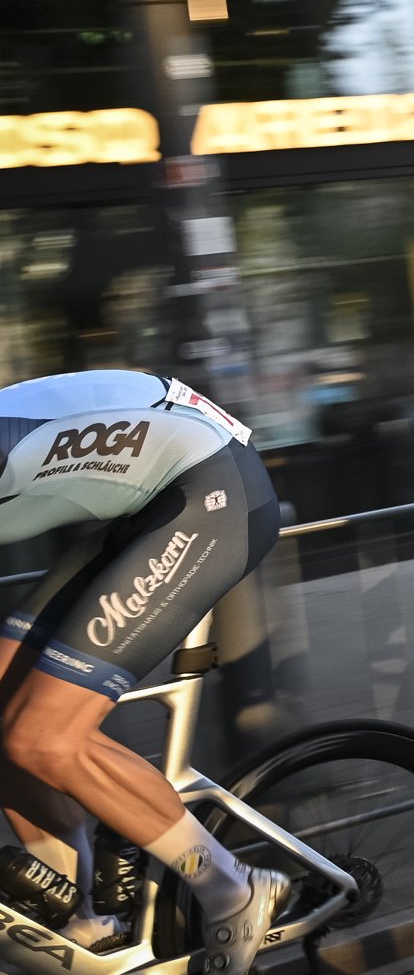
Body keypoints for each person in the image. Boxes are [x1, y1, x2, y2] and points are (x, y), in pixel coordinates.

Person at [0, 370, 285, 964]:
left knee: (45, 738)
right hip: (148, 501)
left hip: (210, 491)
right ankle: (85, 918)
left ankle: (233, 885)